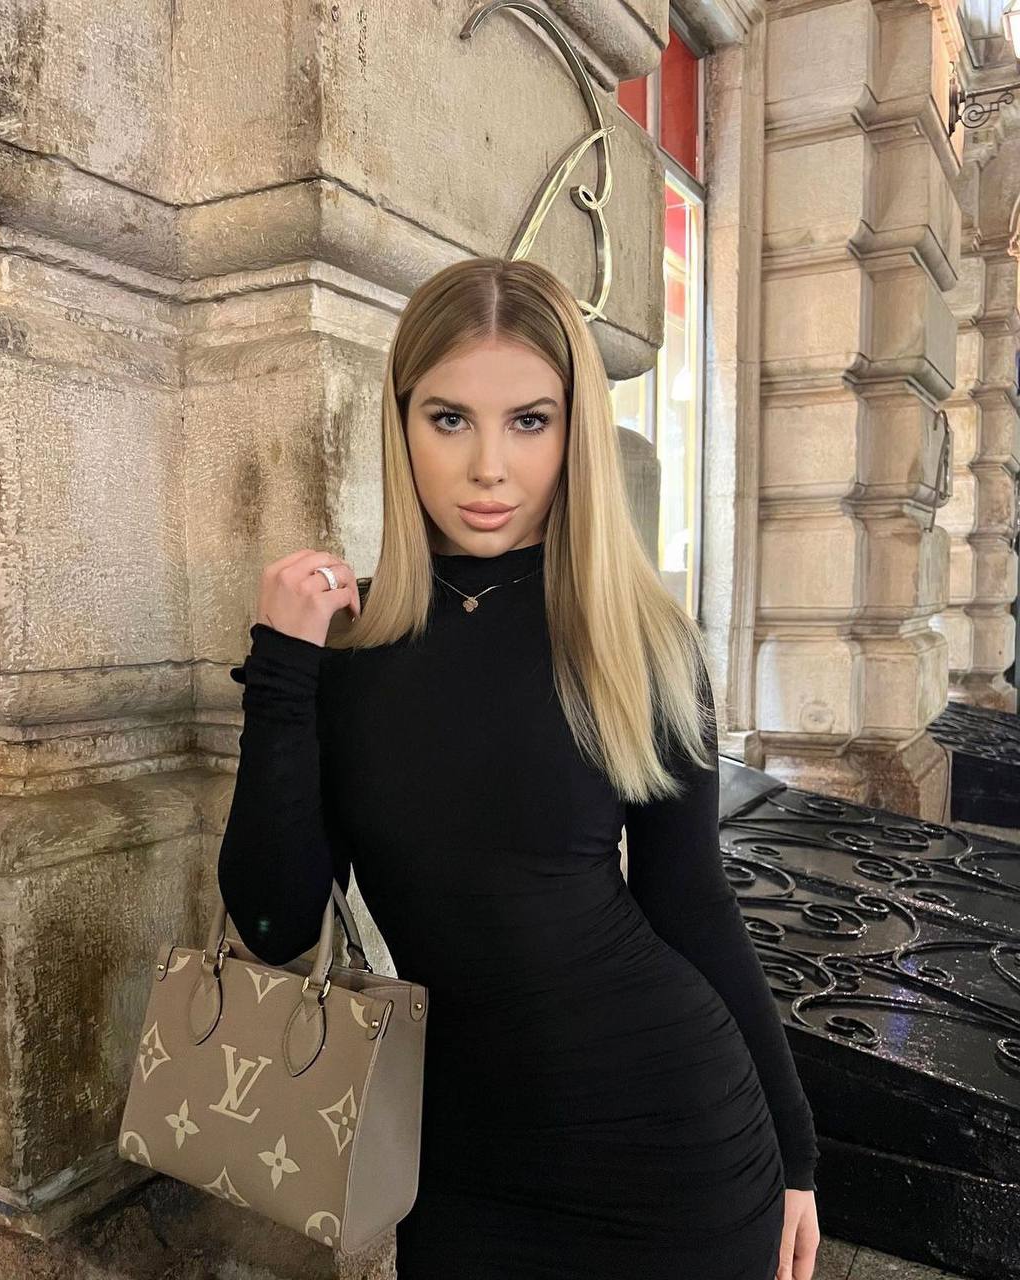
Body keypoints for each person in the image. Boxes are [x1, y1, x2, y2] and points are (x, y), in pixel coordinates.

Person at [217, 256, 821, 1280]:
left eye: (529, 421)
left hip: (677, 1147)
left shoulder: (639, 641)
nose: (488, 467)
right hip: (461, 1168)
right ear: (401, 423)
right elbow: (274, 928)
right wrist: (281, 667)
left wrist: (796, 1151)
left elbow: (691, 901)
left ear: (574, 431)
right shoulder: (346, 651)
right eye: (450, 418)